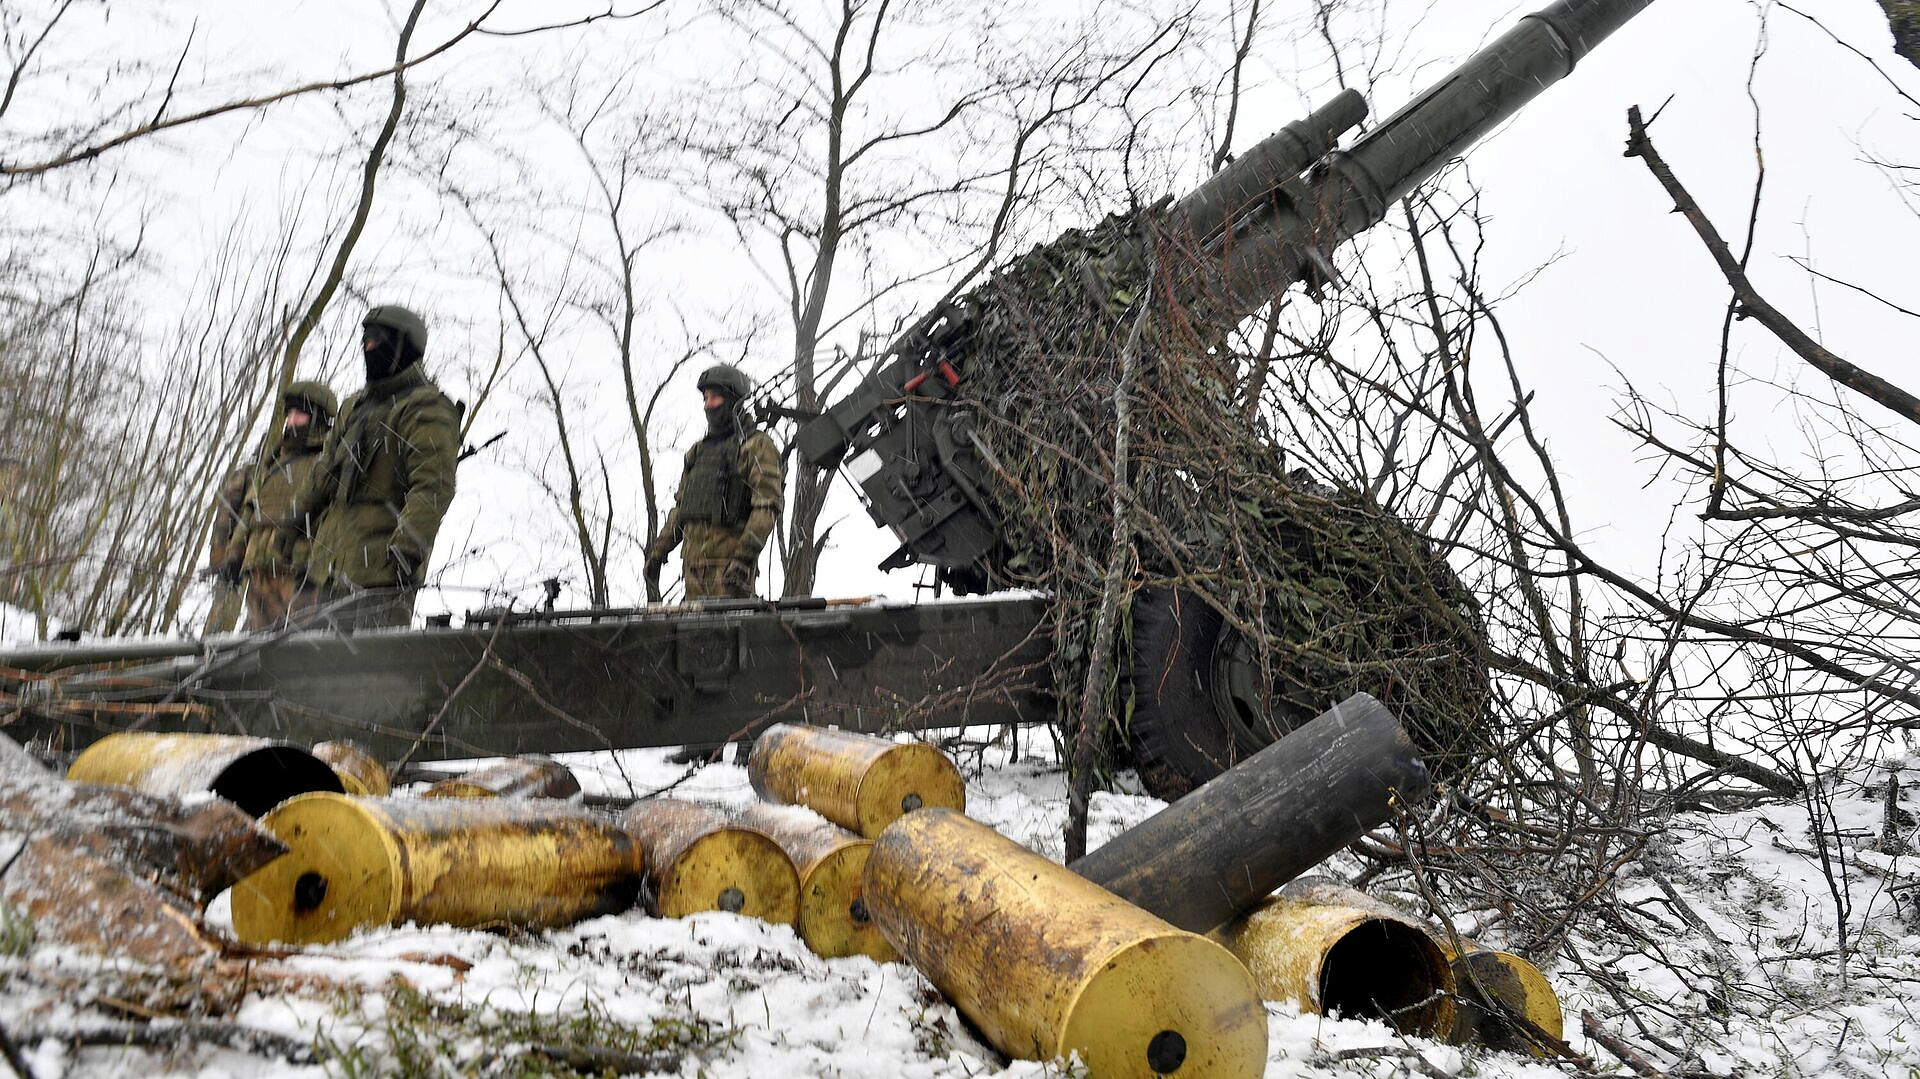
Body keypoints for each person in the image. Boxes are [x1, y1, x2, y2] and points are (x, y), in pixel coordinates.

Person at [295, 304, 461, 630]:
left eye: (378, 341)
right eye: (365, 341)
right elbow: (323, 477)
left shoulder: (426, 406)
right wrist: (292, 524)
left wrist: (406, 550)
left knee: (367, 674)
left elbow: (432, 485)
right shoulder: (352, 408)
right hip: (326, 571)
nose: (369, 348)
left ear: (405, 347)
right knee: (308, 673)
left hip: (380, 576)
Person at [645, 364, 783, 600]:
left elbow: (767, 507)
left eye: (715, 398)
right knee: (692, 633)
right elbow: (682, 509)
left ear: (733, 401)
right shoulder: (697, 452)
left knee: (726, 633)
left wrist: (743, 557)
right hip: (693, 572)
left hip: (730, 573)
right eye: (705, 398)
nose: (708, 405)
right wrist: (659, 551)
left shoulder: (756, 446)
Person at [237, 380, 336, 631]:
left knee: (296, 647)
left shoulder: (327, 461)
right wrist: (234, 556)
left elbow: (332, 519)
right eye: (289, 415)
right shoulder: (271, 461)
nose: (291, 421)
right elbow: (250, 513)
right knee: (255, 648)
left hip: (298, 570)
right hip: (259, 569)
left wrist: (315, 567)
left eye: (299, 415)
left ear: (318, 419)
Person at [200, 463, 252, 635]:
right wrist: (220, 559)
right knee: (223, 612)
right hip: (238, 558)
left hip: (254, 558)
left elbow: (224, 518)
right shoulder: (248, 474)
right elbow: (224, 518)